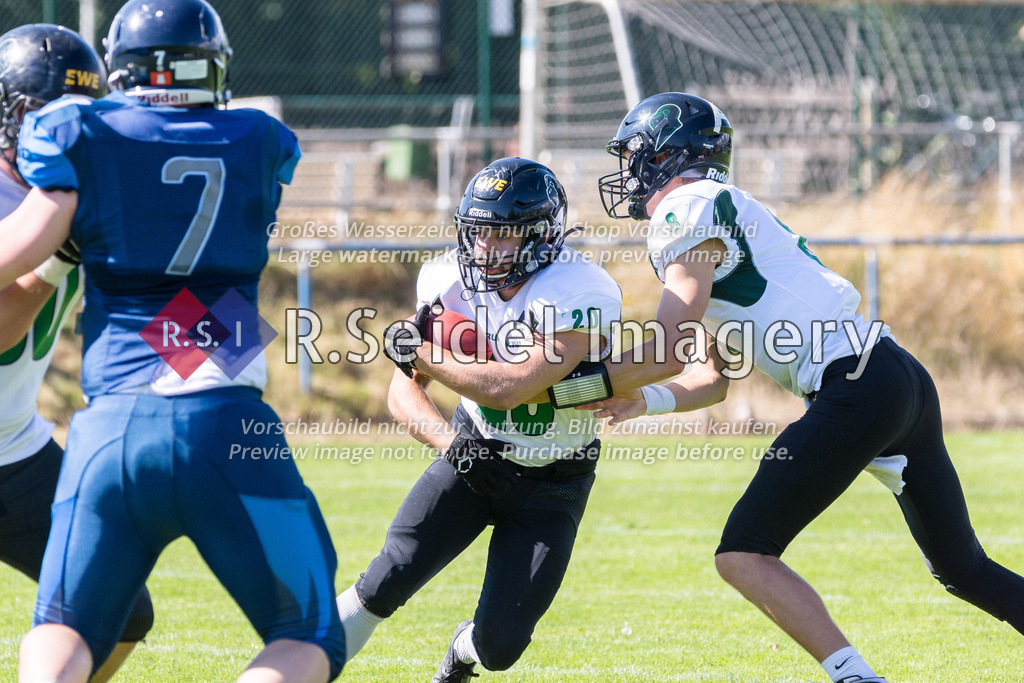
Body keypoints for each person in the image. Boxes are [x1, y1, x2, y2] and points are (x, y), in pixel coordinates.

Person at [579, 91, 1024, 683]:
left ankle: (856, 678)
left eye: (634, 155)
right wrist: (641, 399)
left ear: (666, 156)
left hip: (857, 388)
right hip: (895, 377)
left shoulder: (686, 208)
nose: (627, 171)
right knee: (962, 568)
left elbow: (663, 346)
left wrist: (569, 386)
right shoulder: (716, 214)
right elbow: (710, 382)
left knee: (744, 553)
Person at [0, 2, 344, 681]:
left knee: (81, 623)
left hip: (96, 428)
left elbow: (167, 298)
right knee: (307, 630)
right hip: (216, 422)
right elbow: (219, 300)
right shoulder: (254, 141)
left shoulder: (81, 155)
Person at [340, 157, 622, 682]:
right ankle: (298, 670)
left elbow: (510, 386)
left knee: (500, 646)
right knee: (382, 583)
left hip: (554, 479)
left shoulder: (582, 288)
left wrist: (419, 349)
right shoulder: (446, 278)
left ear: (542, 234)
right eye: (478, 234)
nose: (486, 249)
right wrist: (455, 447)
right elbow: (402, 394)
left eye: (503, 235)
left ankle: (461, 650)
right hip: (472, 454)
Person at [0, 23, 154, 681]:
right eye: (46, 115)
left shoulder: (71, 194)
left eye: (80, 116)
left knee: (123, 607)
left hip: (15, 450)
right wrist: (58, 258)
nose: (67, 133)